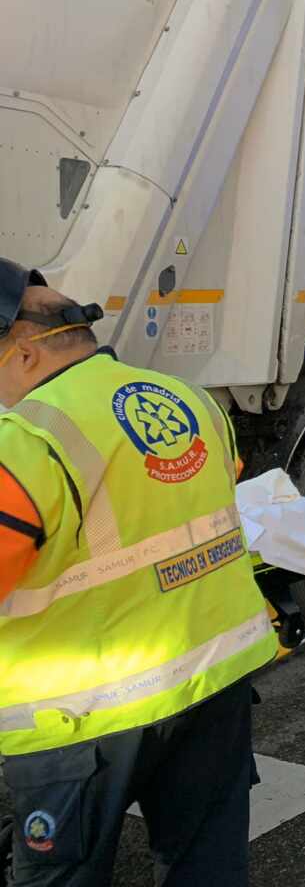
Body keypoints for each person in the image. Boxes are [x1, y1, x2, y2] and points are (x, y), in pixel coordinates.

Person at [0, 261, 277, 886]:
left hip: (84, 715)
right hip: (212, 680)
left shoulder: (24, 441)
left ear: (22, 353)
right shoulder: (189, 399)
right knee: (205, 866)